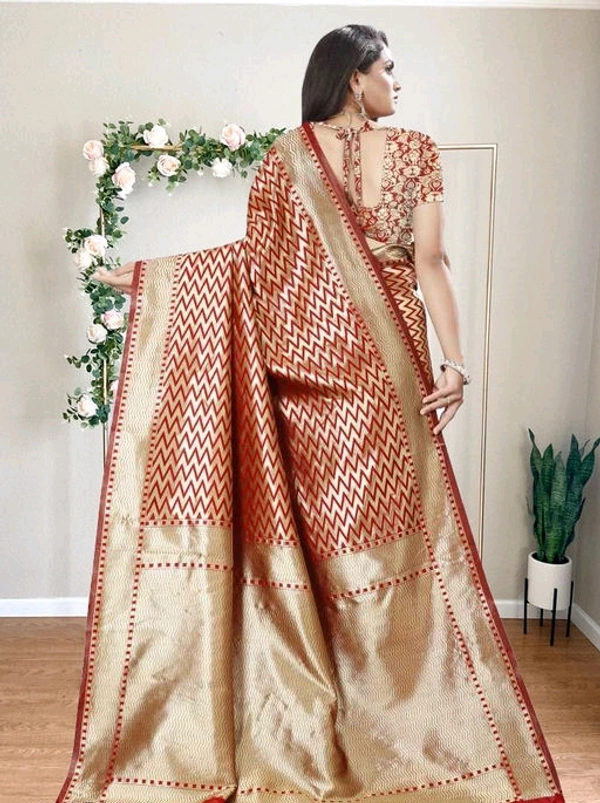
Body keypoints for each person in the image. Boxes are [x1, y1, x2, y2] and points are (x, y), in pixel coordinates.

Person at [58, 25, 563, 803]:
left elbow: (259, 271)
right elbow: (430, 262)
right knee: (399, 544)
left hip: (310, 375)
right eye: (389, 68)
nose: (399, 82)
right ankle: (401, 726)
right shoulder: (417, 153)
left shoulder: (283, 158)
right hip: (392, 368)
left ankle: (314, 718)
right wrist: (456, 365)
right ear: (355, 76)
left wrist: (163, 280)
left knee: (323, 547)